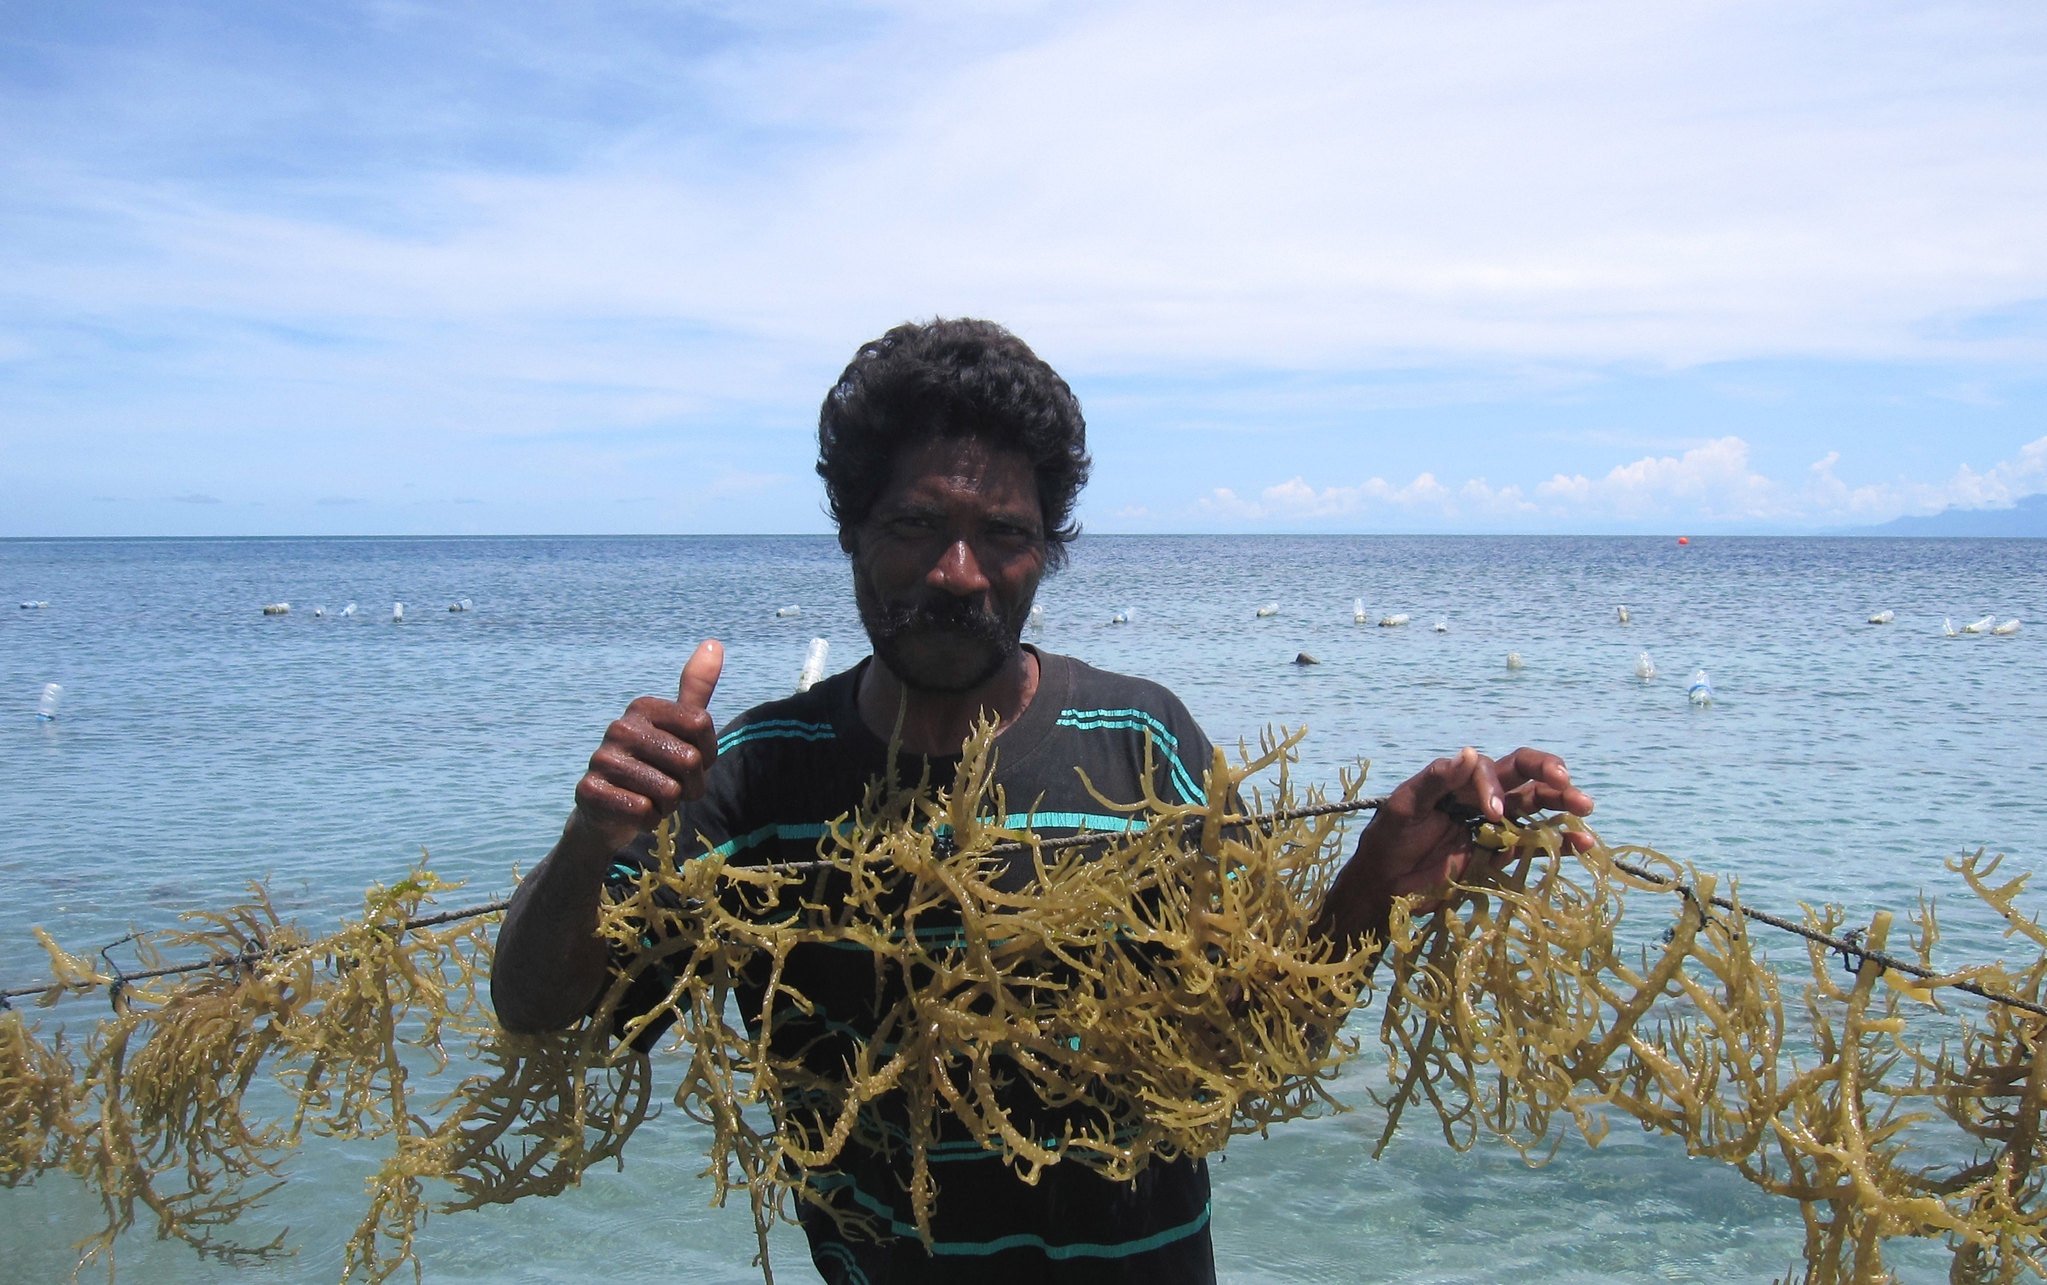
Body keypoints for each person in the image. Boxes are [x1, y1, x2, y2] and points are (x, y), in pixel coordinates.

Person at [491, 318, 1594, 1284]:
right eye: (916, 526)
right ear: (853, 531)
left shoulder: (1142, 742)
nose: (960, 572)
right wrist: (594, 841)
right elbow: (546, 1012)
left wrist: (1369, 887)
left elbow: (1254, 1042)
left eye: (1005, 535)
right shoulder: (755, 772)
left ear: (1043, 552)